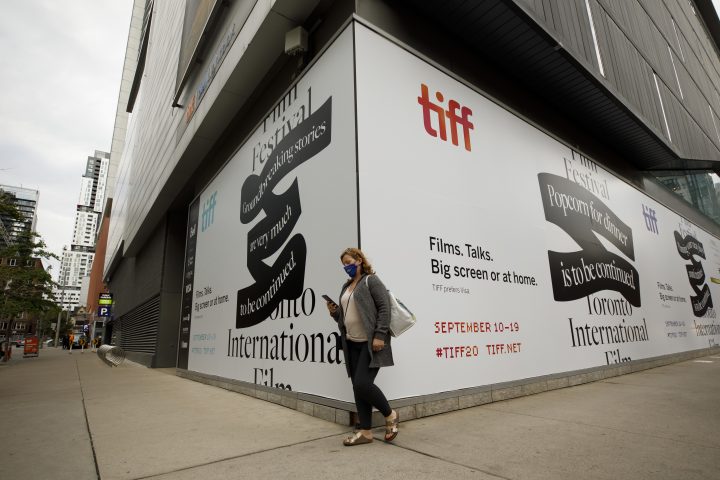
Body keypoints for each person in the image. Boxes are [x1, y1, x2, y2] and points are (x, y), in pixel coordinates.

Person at [327, 247, 399, 446]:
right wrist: (334, 313)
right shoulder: (346, 286)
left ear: (359, 260)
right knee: (357, 388)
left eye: (349, 262)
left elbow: (384, 308)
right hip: (351, 344)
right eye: (343, 265)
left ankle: (390, 414)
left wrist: (379, 335)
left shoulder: (371, 280)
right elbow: (345, 317)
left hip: (370, 344)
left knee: (362, 384)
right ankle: (366, 432)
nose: (346, 267)